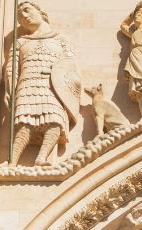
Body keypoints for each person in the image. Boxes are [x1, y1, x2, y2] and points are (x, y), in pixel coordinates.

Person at [7, 1, 85, 165]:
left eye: (27, 10)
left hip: (53, 87)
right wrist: (9, 90)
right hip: (27, 85)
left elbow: (71, 65)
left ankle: (41, 158)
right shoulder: (20, 42)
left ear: (40, 11)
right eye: (20, 17)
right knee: (24, 123)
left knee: (54, 122)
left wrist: (61, 76)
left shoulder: (60, 39)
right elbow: (11, 68)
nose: (25, 16)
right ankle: (12, 162)